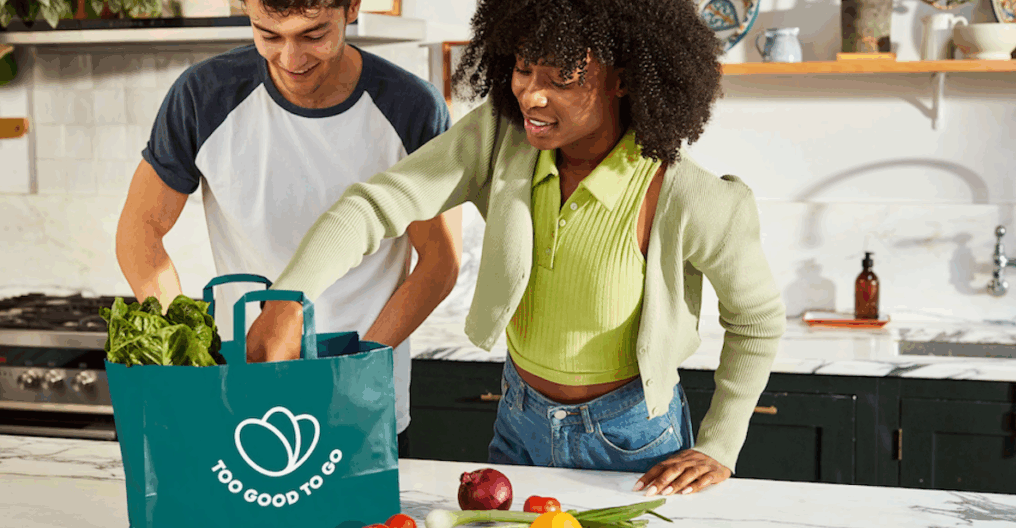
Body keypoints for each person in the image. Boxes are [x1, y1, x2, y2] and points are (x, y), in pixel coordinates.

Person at [247, 0, 786, 496]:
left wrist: (720, 443)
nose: (532, 95)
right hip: (518, 420)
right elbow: (377, 204)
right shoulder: (502, 139)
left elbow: (757, 319)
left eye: (561, 80)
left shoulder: (689, 196)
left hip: (633, 438)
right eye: (524, 69)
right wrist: (288, 297)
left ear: (623, 80)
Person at [114, 0, 462, 458]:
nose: (290, 60)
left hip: (361, 404)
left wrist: (358, 366)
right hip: (240, 393)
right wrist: (185, 347)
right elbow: (141, 228)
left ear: (351, 7)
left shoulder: (410, 106)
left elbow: (440, 262)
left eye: (314, 35)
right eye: (269, 35)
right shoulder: (204, 94)